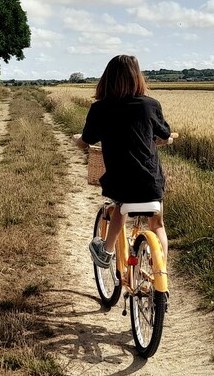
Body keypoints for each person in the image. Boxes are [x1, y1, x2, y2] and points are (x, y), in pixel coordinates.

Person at [74, 54, 173, 268]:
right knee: (157, 224)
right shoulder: (150, 105)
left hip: (121, 181)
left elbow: (86, 141)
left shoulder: (100, 108)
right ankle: (161, 275)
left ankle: (106, 251)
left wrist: (78, 141)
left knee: (120, 205)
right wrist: (166, 140)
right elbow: (164, 136)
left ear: (107, 79)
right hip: (151, 181)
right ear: (137, 78)